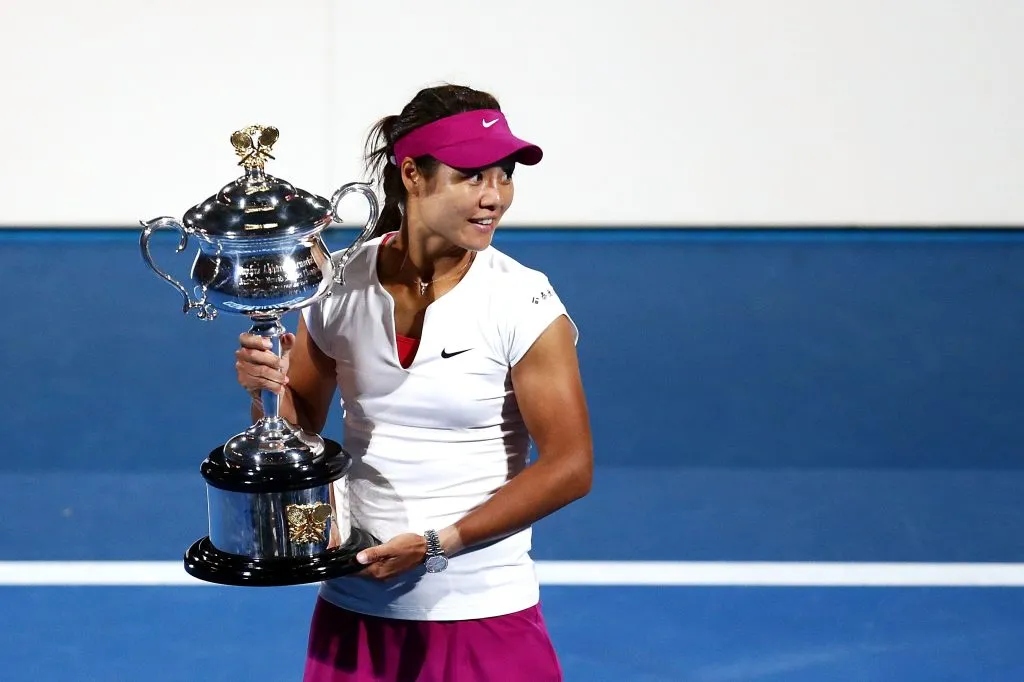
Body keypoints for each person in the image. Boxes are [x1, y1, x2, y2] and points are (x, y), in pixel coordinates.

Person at [234, 83, 594, 682]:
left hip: (482, 615)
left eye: (504, 176)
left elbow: (570, 465)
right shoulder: (339, 282)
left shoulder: (524, 301)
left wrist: (437, 542)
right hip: (354, 616)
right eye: (472, 177)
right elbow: (299, 430)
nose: (495, 198)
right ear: (413, 175)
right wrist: (266, 394)